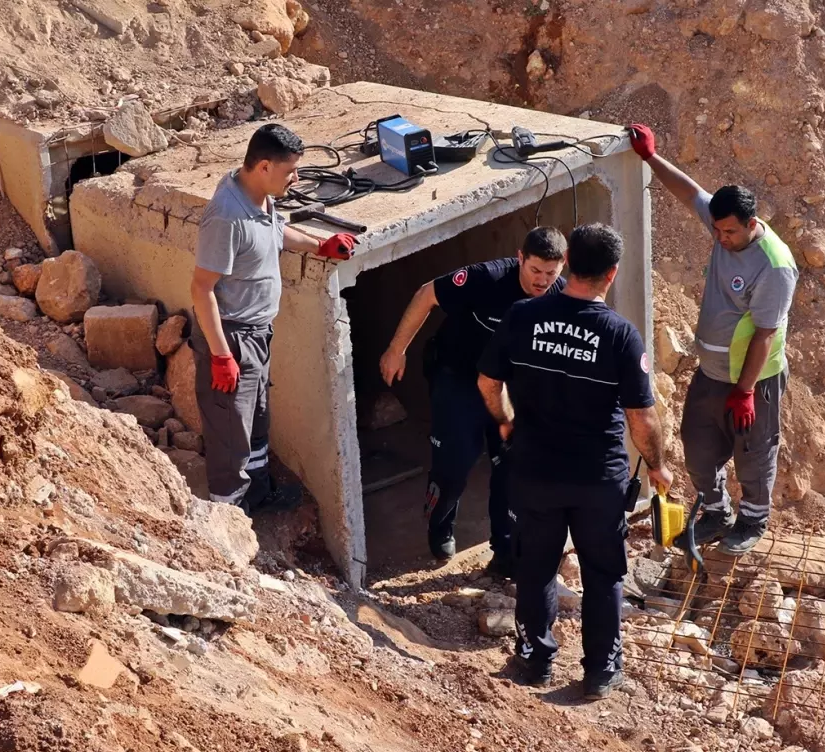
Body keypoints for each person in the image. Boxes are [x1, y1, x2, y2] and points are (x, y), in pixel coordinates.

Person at [478, 223, 673, 697]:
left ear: (567, 263)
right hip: (597, 479)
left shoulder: (523, 316)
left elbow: (488, 383)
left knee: (536, 566)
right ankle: (601, 671)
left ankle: (533, 660)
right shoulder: (620, 335)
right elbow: (642, 418)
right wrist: (656, 466)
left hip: (535, 470)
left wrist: (506, 422)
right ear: (612, 273)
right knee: (603, 572)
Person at [628, 123, 798, 555]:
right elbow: (689, 193)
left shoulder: (774, 266)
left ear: (752, 223)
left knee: (753, 454)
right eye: (717, 231)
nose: (721, 239)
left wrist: (744, 392)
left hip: (752, 380)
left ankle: (752, 521)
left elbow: (764, 334)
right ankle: (716, 513)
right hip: (711, 372)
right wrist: (650, 157)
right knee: (699, 446)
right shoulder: (723, 224)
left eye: (729, 233)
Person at [190, 123, 358, 515]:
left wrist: (320, 245)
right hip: (232, 337)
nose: (296, 178)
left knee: (257, 421)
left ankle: (260, 494)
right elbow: (201, 290)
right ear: (263, 166)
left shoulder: (262, 198)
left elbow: (277, 232)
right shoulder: (226, 217)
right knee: (231, 434)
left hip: (258, 333)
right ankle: (230, 518)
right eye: (290, 171)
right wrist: (220, 355)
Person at [378, 228, 568, 575]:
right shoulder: (487, 278)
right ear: (520, 258)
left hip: (509, 388)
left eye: (550, 274)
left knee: (511, 466)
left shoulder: (560, 296)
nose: (542, 281)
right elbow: (427, 294)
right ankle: (440, 522)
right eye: (535, 271)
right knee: (454, 462)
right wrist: (397, 349)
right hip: (460, 377)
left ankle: (505, 549)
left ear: (562, 266)